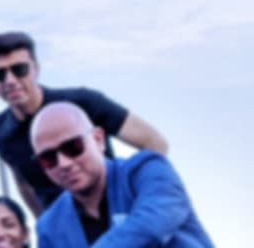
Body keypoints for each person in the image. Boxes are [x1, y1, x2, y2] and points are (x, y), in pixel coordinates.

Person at [0, 31, 169, 215]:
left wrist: (141, 200)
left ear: (36, 68)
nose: (10, 80)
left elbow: (154, 142)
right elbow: (23, 183)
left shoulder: (83, 102)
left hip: (117, 215)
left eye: (19, 69)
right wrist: (45, 223)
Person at [31, 102, 213, 247]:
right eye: (48, 158)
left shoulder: (148, 170)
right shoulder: (49, 228)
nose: (64, 163)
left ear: (98, 139)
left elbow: (153, 224)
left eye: (73, 147)